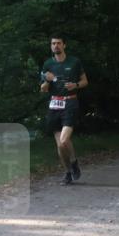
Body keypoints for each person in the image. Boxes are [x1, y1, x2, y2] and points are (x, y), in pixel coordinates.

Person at [39, 36, 89, 185]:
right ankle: (68, 172)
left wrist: (76, 85)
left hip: (70, 103)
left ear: (64, 45)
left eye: (58, 43)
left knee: (64, 140)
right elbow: (42, 89)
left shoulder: (74, 62)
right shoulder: (47, 64)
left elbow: (85, 81)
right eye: (53, 44)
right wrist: (47, 81)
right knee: (60, 145)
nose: (56, 46)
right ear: (51, 46)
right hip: (54, 105)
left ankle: (74, 162)